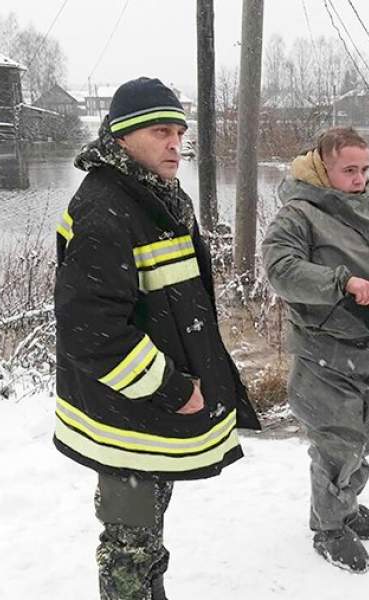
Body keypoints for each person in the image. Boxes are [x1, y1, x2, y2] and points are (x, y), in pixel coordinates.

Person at [54, 77, 260, 600]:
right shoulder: (106, 209)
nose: (176, 143)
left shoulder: (153, 194)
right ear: (122, 137)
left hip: (144, 409)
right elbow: (93, 334)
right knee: (129, 545)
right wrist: (172, 388)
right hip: (124, 416)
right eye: (161, 131)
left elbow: (175, 304)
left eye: (179, 131)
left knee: (147, 536)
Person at [261, 127, 369, 574]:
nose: (359, 178)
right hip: (325, 349)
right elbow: (281, 270)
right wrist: (340, 281)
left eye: (364, 169)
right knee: (336, 442)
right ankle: (329, 527)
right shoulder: (298, 215)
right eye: (349, 170)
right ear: (323, 167)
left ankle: (348, 505)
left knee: (363, 436)